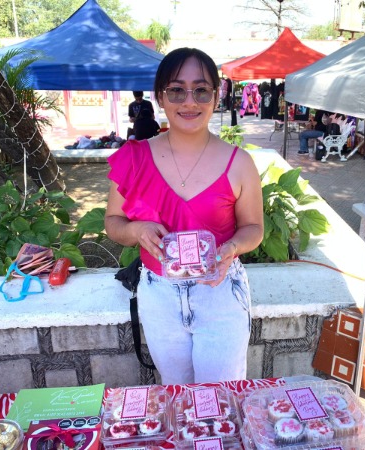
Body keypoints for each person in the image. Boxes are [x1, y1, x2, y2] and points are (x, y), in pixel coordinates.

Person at [105, 47, 264, 385]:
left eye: (201, 90)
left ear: (216, 96)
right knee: (176, 392)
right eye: (177, 90)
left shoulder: (239, 163)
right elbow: (113, 223)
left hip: (219, 292)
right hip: (159, 294)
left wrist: (233, 247)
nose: (189, 102)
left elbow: (254, 228)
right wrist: (137, 231)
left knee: (221, 396)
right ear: (160, 97)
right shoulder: (133, 158)